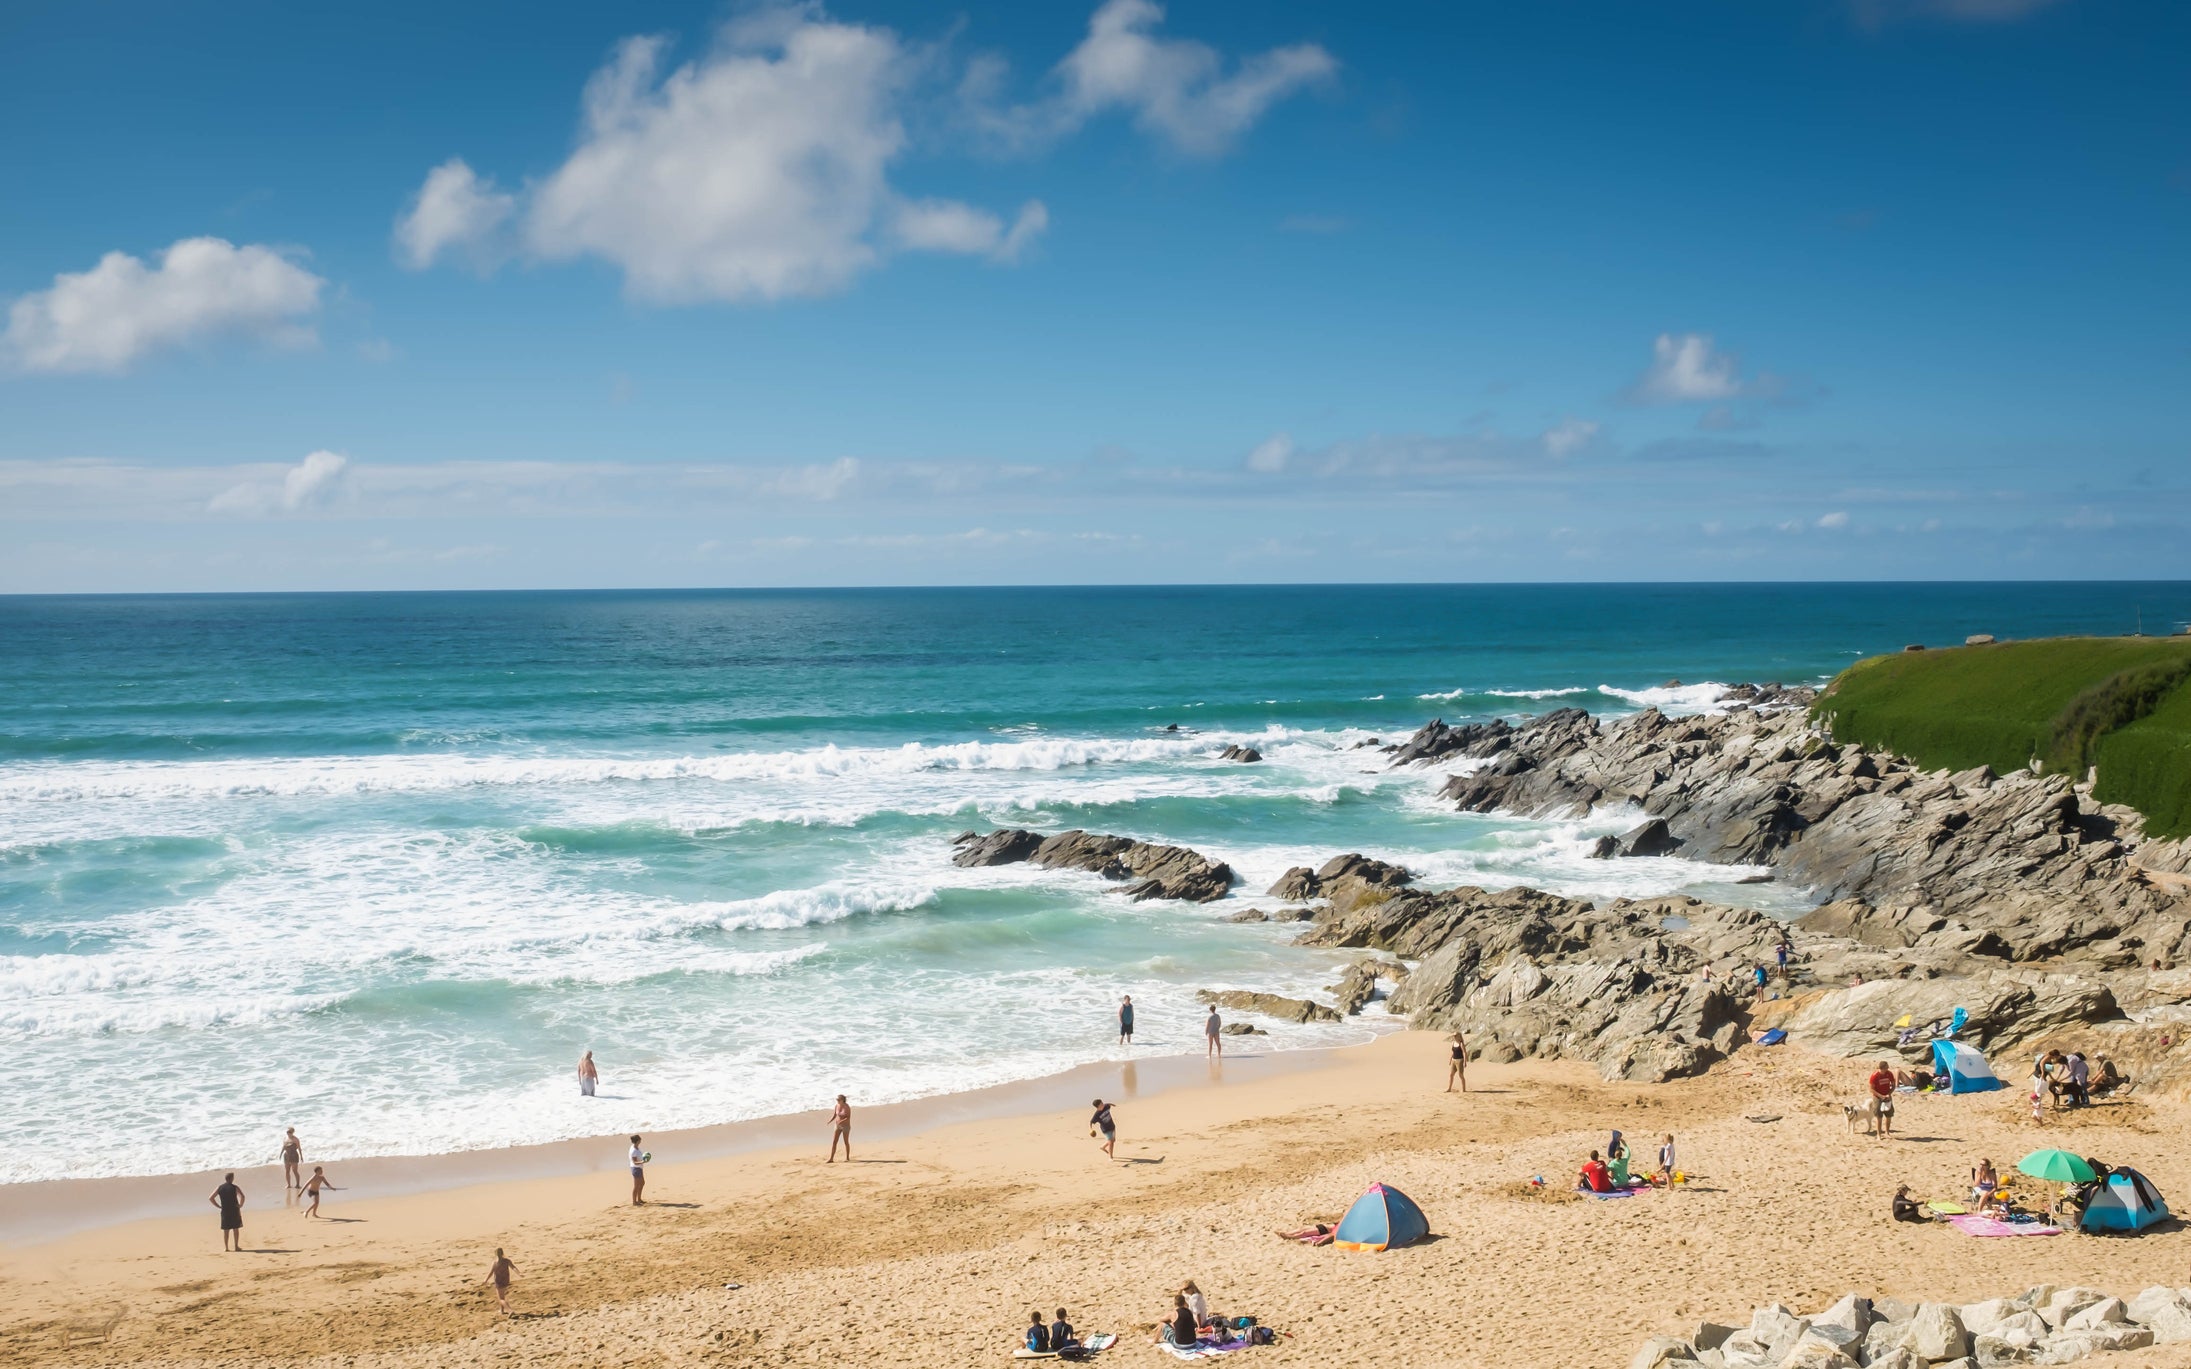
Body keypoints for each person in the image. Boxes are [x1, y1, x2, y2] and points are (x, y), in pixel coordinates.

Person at [210, 1172, 245, 1251]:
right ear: (232, 1178)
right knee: (235, 1228)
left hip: (225, 1210)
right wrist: (240, 1205)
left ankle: (226, 1248)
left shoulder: (220, 1187)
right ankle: (236, 1246)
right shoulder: (235, 1187)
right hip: (234, 1210)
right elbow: (242, 1196)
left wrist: (218, 1206)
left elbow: (211, 1198)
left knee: (226, 1230)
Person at [483, 1248, 518, 1316]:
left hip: (498, 1281)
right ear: (502, 1253)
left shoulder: (495, 1263)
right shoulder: (507, 1261)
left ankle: (509, 1310)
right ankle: (502, 1310)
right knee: (502, 1295)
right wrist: (519, 1273)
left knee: (501, 1299)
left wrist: (486, 1280)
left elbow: (491, 1273)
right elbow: (513, 1267)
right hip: (505, 1280)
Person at [1868, 1060, 1897, 1138]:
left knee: (1889, 1114)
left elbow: (1893, 1085)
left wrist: (1889, 1093)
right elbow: (1871, 1089)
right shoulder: (1875, 1076)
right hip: (1877, 1097)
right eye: (1887, 1067)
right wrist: (1880, 1096)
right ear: (1883, 1068)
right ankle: (1878, 1134)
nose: (1888, 1068)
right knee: (1879, 1116)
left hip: (1887, 1095)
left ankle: (1887, 1132)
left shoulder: (1889, 1074)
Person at [827, 1095, 852, 1163]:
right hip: (837, 1126)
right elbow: (835, 1115)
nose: (837, 1100)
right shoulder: (837, 1106)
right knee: (834, 1142)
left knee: (846, 1142)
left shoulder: (847, 1107)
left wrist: (841, 1121)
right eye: (837, 1099)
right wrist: (830, 1121)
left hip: (845, 1126)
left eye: (838, 1099)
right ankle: (831, 1158)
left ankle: (847, 1157)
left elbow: (848, 1117)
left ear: (842, 1100)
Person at [629, 1135, 647, 1205]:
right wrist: (643, 1162)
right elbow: (635, 1162)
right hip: (636, 1169)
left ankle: (639, 1199)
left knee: (642, 1183)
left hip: (639, 1168)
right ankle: (634, 1202)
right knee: (636, 1186)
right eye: (640, 1139)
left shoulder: (636, 1147)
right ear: (637, 1141)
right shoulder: (633, 1151)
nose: (641, 1140)